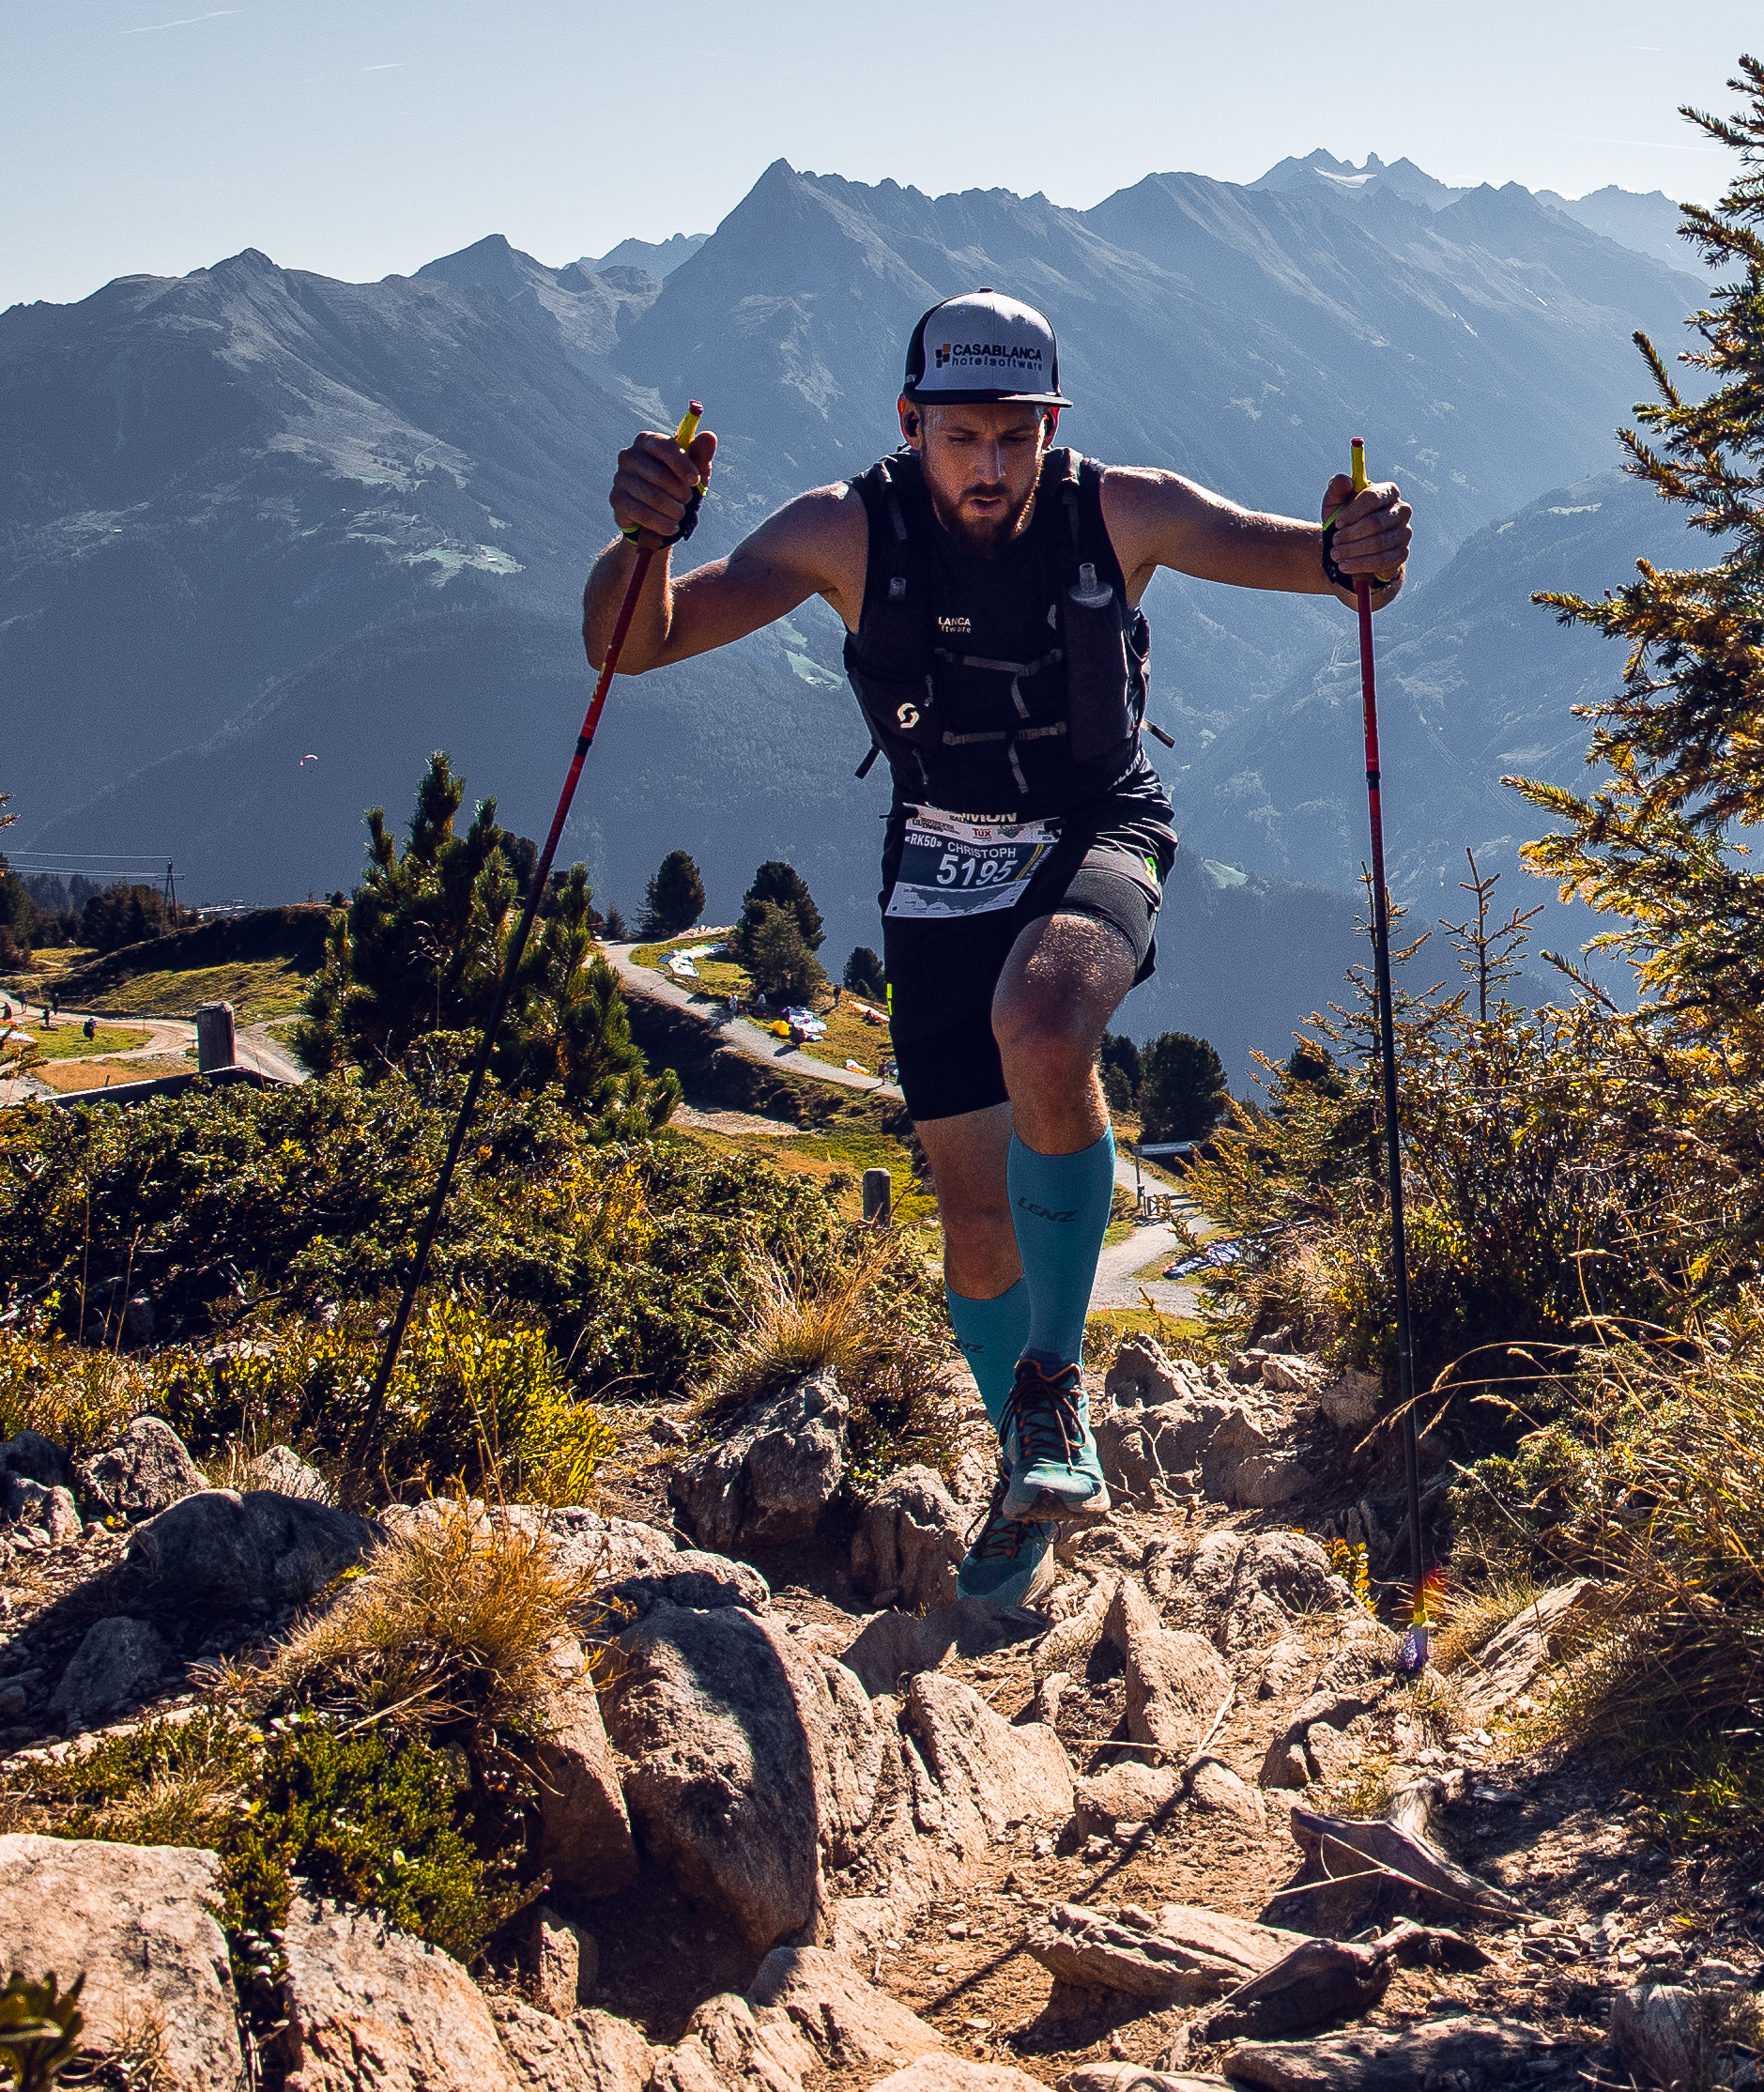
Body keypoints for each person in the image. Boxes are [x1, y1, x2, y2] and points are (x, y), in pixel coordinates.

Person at [591, 289, 1410, 1612]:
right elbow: (635, 644)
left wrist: (1365, 541)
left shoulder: (1122, 509)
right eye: (962, 435)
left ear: (1050, 429)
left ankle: (1052, 1389)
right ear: (910, 425)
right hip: (937, 856)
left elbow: (1319, 560)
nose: (990, 464)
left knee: (1044, 1019)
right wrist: (636, 541)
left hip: (1100, 822)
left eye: (1016, 436)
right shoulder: (841, 529)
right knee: (974, 1222)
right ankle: (1026, 1473)